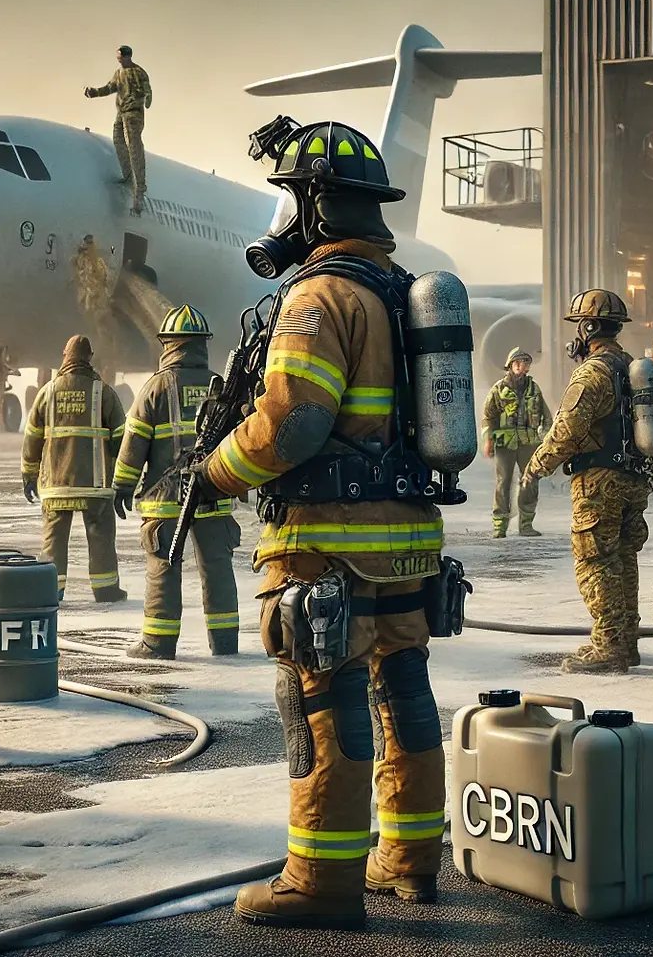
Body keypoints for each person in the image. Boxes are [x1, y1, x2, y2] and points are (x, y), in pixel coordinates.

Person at [191, 119, 446, 930]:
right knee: (403, 691)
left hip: (326, 543)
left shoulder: (320, 296)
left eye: (292, 201)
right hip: (406, 542)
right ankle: (407, 861)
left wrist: (214, 472)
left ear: (317, 208)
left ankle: (322, 881)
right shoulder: (403, 294)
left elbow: (294, 422)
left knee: (321, 703)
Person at [522, 289, 651, 674]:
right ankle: (625, 642)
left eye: (579, 326)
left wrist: (536, 467)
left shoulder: (592, 372)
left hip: (598, 483)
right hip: (632, 480)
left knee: (595, 562)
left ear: (589, 328)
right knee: (624, 560)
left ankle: (608, 646)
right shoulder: (629, 367)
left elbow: (567, 431)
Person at [112, 305, 240, 660]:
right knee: (218, 570)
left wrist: (123, 484)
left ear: (167, 344)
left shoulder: (155, 388)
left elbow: (134, 441)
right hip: (215, 496)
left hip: (167, 502)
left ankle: (158, 643)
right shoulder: (221, 387)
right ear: (202, 345)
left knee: (164, 569)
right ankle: (225, 642)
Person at [21, 335, 127, 603]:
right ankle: (106, 590)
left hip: (56, 485)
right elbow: (121, 439)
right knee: (101, 538)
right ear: (90, 357)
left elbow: (32, 437)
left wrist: (29, 474)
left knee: (54, 542)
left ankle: (51, 591)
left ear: (64, 354)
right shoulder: (103, 393)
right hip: (95, 484)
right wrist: (119, 475)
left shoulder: (47, 392)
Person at [481, 346, 552, 537]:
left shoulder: (533, 388)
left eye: (526, 364)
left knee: (530, 480)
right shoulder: (499, 389)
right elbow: (488, 416)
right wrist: (488, 440)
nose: (524, 367)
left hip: (529, 442)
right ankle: (500, 526)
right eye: (520, 363)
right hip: (505, 442)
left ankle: (526, 525)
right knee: (503, 483)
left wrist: (545, 438)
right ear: (512, 365)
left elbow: (546, 416)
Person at [84, 45, 152, 215]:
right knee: (118, 139)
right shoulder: (119, 74)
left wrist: (146, 100)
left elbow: (147, 91)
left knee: (134, 147)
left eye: (120, 57)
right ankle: (128, 173)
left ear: (128, 57)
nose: (119, 60)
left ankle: (139, 190)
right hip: (121, 113)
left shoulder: (139, 73)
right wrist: (94, 92)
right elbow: (110, 88)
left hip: (133, 114)